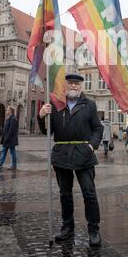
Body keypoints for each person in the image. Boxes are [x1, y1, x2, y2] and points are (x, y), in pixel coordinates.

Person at [38, 73, 103, 247]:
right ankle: (67, 228)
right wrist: (41, 116)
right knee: (65, 194)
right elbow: (47, 132)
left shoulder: (89, 105)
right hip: (62, 154)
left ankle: (94, 230)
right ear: (65, 86)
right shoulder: (55, 105)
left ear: (81, 86)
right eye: (70, 83)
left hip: (84, 154)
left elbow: (98, 129)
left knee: (89, 193)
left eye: (76, 84)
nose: (73, 86)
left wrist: (91, 146)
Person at [0, 106, 18, 170]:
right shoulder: (9, 118)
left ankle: (14, 165)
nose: (6, 111)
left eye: (7, 110)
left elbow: (11, 131)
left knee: (12, 153)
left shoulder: (13, 119)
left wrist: (6, 139)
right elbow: (6, 130)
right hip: (6, 139)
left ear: (10, 111)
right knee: (3, 151)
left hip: (11, 140)